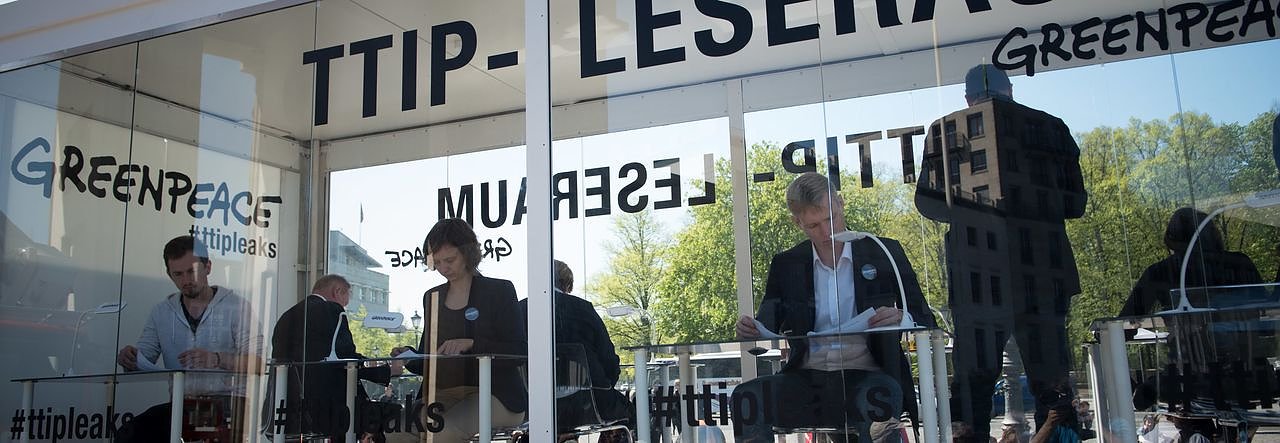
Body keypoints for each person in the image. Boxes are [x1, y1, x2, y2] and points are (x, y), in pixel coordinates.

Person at [915, 64, 1087, 441]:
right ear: (1010, 90)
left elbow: (927, 204)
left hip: (977, 276)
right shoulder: (1051, 127)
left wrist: (972, 212)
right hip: (1043, 274)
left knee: (972, 386)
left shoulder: (944, 130)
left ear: (968, 98)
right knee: (1053, 384)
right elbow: (1075, 203)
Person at [733, 172, 936, 443]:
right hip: (806, 379)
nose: (826, 232)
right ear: (797, 223)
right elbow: (767, 323)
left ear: (841, 203)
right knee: (746, 397)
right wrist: (750, 329)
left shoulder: (883, 252)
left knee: (880, 401)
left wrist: (902, 317)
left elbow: (925, 318)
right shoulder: (787, 264)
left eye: (831, 218)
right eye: (814, 225)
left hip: (869, 376)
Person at [388, 218, 527, 442]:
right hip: (443, 394)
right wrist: (408, 355)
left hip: (496, 394)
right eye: (437, 262)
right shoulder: (432, 296)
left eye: (450, 260)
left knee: (442, 431)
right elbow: (429, 357)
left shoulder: (500, 291)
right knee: (395, 430)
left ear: (468, 253)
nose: (443, 268)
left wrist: (472, 344)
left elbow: (518, 352)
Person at [114, 235, 264, 441]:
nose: (185, 280)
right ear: (169, 274)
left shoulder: (237, 307)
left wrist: (217, 359)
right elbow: (144, 357)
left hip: (228, 403)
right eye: (178, 274)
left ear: (208, 267)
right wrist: (130, 358)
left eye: (191, 271)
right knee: (130, 434)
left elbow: (258, 363)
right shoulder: (161, 312)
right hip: (183, 405)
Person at [271, 274, 402, 440]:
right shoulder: (331, 310)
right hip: (329, 408)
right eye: (345, 301)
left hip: (289, 407)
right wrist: (387, 371)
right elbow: (345, 358)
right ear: (337, 291)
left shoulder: (286, 316)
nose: (344, 306)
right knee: (397, 416)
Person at [519, 260, 632, 435]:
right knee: (632, 412)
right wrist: (605, 386)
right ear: (567, 284)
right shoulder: (584, 309)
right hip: (588, 403)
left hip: (534, 405)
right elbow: (609, 359)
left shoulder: (520, 310)